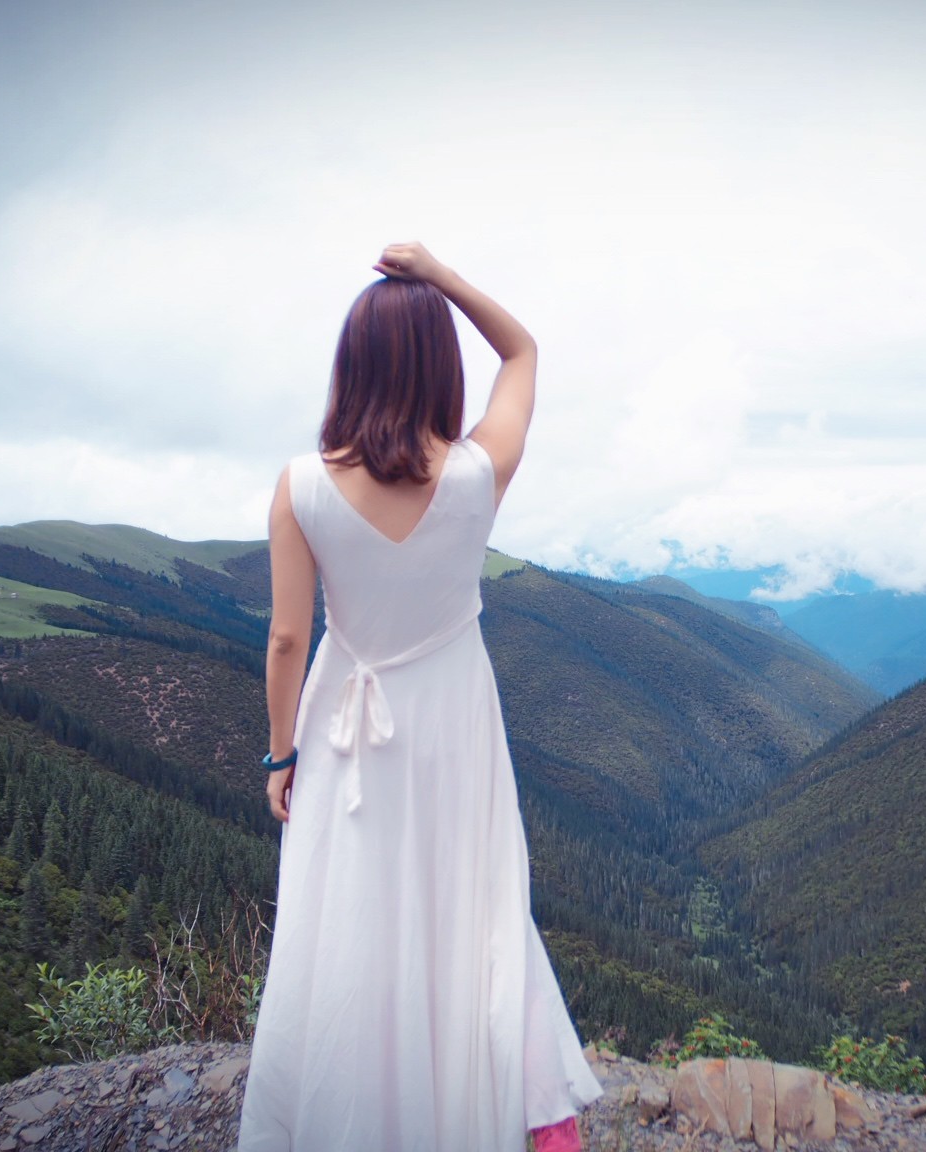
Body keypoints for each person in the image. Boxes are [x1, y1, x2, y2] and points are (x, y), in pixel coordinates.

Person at [234, 242, 604, 1151]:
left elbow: (287, 638)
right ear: (440, 365)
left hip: (344, 727)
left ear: (349, 366)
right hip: (453, 719)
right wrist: (441, 278)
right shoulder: (477, 476)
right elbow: (522, 352)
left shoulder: (301, 487)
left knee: (348, 916)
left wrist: (282, 754)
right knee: (467, 904)